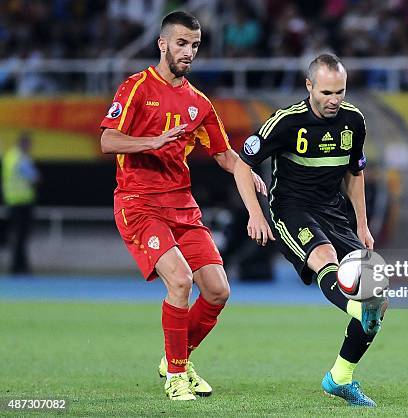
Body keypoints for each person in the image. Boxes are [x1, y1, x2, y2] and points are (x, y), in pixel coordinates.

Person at [99, 11, 266, 401]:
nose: (189, 51)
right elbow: (108, 141)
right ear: (162, 44)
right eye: (181, 44)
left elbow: (224, 155)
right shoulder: (136, 88)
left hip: (182, 207)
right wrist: (151, 142)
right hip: (139, 204)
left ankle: (176, 358)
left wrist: (247, 173)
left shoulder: (199, 103)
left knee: (218, 291)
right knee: (180, 280)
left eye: (194, 45)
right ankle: (176, 376)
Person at [233, 53, 386, 407]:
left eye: (341, 92)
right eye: (327, 92)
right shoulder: (285, 123)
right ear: (309, 86)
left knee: (379, 295)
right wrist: (254, 214)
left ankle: (340, 378)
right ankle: (356, 310)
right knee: (325, 257)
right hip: (291, 209)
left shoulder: (353, 121)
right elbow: (243, 166)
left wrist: (362, 225)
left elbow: (355, 173)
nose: (335, 100)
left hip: (334, 213)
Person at [2, 132, 39, 274]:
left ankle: (17, 266)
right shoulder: (21, 159)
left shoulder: (9, 157)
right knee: (22, 237)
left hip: (12, 201)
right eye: (29, 144)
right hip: (22, 202)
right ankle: (20, 267)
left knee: (16, 236)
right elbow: (34, 178)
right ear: (24, 143)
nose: (30, 147)